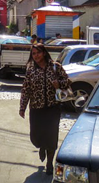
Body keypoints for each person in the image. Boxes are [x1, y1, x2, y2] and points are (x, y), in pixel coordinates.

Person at [19, 44, 71, 176]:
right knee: (36, 136)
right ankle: (41, 146)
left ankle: (49, 163)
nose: (36, 56)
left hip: (52, 109)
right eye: (33, 54)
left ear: (44, 53)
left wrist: (59, 84)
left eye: (38, 53)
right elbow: (26, 89)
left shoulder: (55, 67)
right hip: (36, 109)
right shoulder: (31, 70)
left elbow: (67, 81)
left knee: (52, 137)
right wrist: (22, 107)